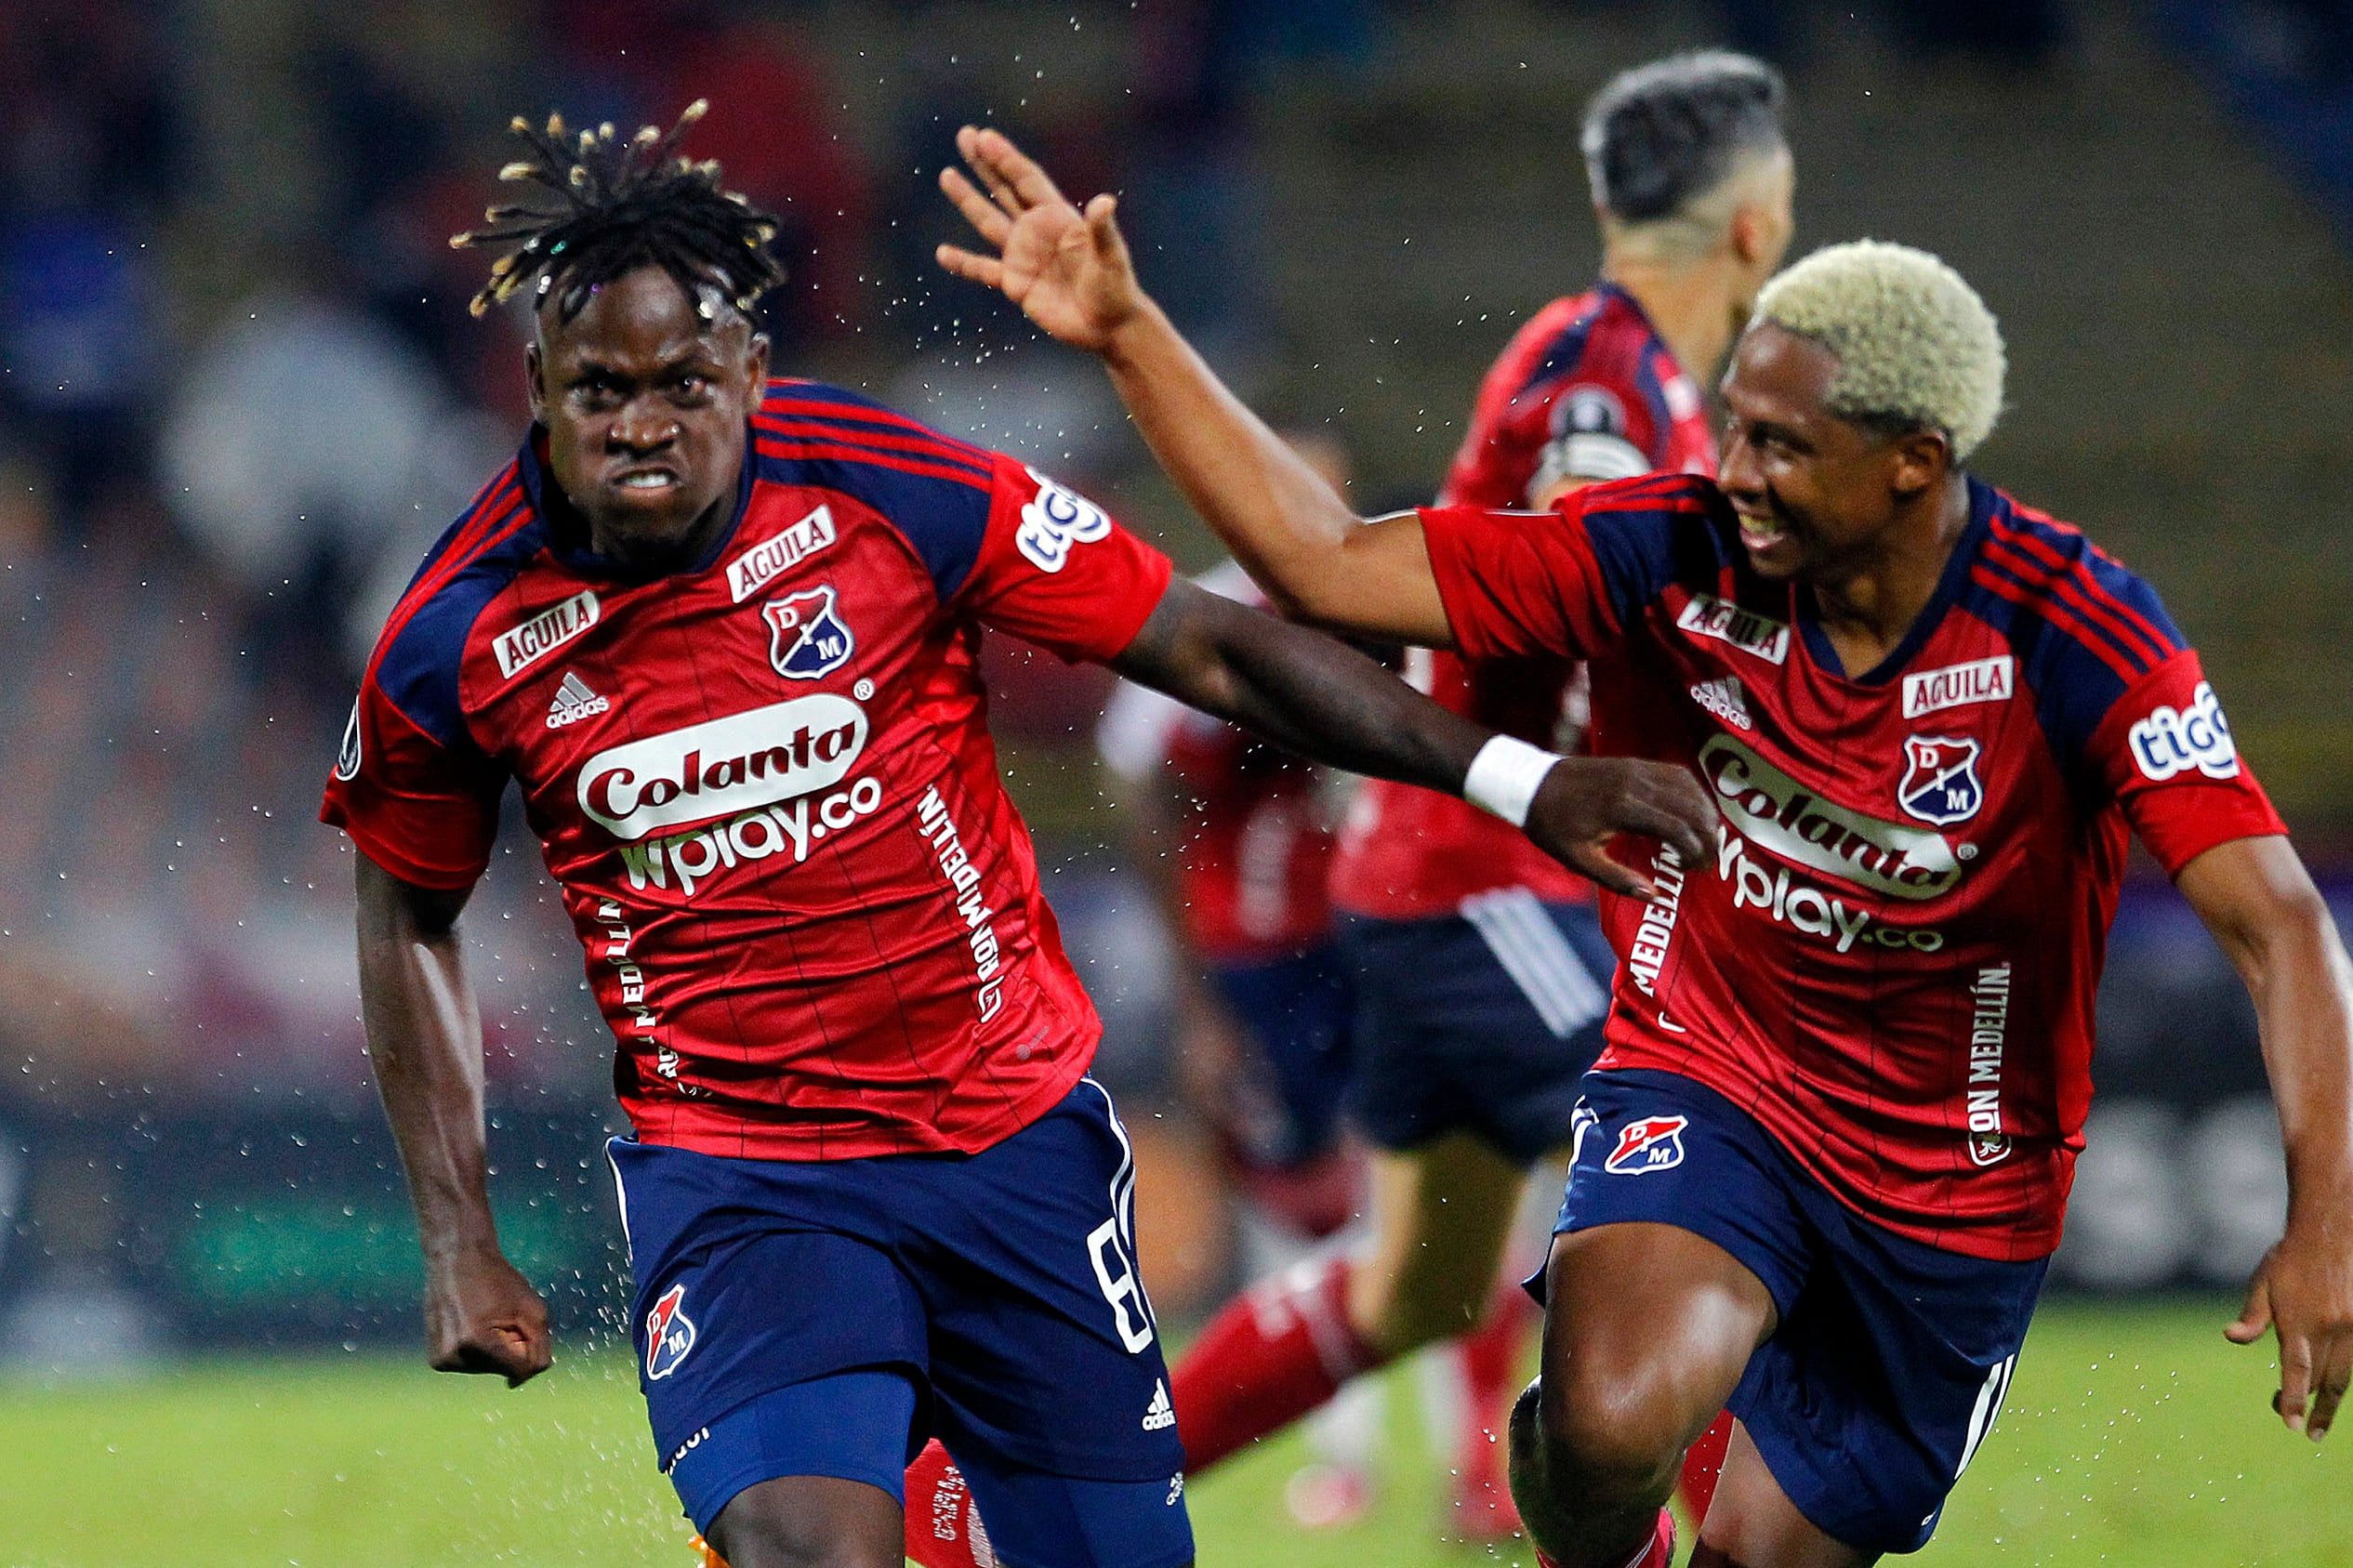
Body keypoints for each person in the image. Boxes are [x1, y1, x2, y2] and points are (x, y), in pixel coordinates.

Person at [932, 129, 2353, 1568]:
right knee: (1600, 1426)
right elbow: (1325, 560)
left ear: (1914, 464)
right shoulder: (1669, 547)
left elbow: (2280, 923)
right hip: (1712, 1073)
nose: (1731, 469)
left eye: (1783, 446)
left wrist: (2328, 1226)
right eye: (1732, 423)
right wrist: (1128, 331)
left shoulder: (2080, 633)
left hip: (1957, 1179)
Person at [321, 105, 1716, 1568]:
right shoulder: (458, 630)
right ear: (535, 384)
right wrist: (458, 1234)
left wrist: (1517, 780)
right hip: (746, 1175)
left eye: (682, 381)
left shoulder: (888, 486)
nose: (644, 426)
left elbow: (1211, 648)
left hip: (1008, 1142)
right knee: (813, 1550)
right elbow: (406, 910)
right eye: (599, 390)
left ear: (748, 368)